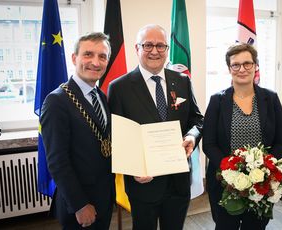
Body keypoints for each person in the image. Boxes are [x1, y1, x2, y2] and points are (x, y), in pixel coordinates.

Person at [108, 24, 203, 230]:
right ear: (137, 48)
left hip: (178, 181)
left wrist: (192, 137)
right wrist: (133, 168)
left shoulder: (183, 80)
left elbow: (197, 120)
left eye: (161, 46)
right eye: (148, 45)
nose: (154, 51)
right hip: (143, 184)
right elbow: (117, 136)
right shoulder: (119, 87)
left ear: (167, 49)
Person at [202, 43, 282, 230]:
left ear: (256, 66)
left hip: (261, 184)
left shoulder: (270, 99)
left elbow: (281, 141)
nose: (242, 69)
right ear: (229, 69)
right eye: (236, 65)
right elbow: (208, 144)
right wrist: (232, 173)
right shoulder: (217, 101)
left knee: (255, 227)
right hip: (225, 184)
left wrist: (264, 169)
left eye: (247, 63)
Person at [40, 32, 115, 229]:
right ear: (75, 58)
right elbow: (57, 161)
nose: (95, 62)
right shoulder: (57, 101)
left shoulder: (101, 95)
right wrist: (80, 204)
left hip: (104, 196)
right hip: (80, 202)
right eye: (88, 54)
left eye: (102, 56)